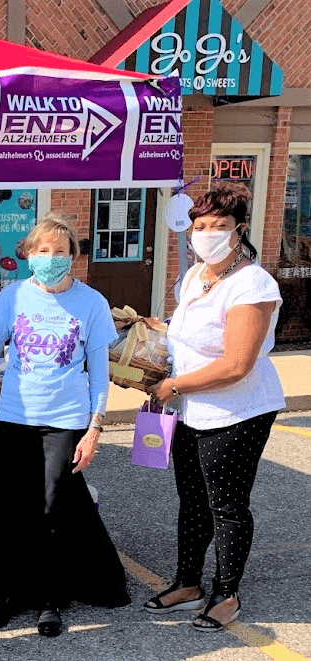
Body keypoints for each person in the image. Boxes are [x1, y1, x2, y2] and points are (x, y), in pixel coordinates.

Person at [0, 213, 130, 637]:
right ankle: (5, 593)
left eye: (60, 251)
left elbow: (99, 372)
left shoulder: (91, 302)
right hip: (16, 417)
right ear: (28, 255)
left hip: (65, 421)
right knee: (11, 509)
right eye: (43, 251)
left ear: (73, 256)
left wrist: (95, 429)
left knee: (52, 508)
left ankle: (50, 598)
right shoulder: (13, 297)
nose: (52, 258)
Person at [146, 183, 284, 631]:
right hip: (190, 407)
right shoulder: (196, 275)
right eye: (200, 225)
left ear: (239, 230)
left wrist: (174, 384)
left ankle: (227, 593)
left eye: (219, 226)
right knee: (192, 500)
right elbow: (182, 332)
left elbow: (237, 364)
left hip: (236, 412)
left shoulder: (252, 284)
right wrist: (147, 335)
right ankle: (188, 583)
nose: (206, 233)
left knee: (226, 504)